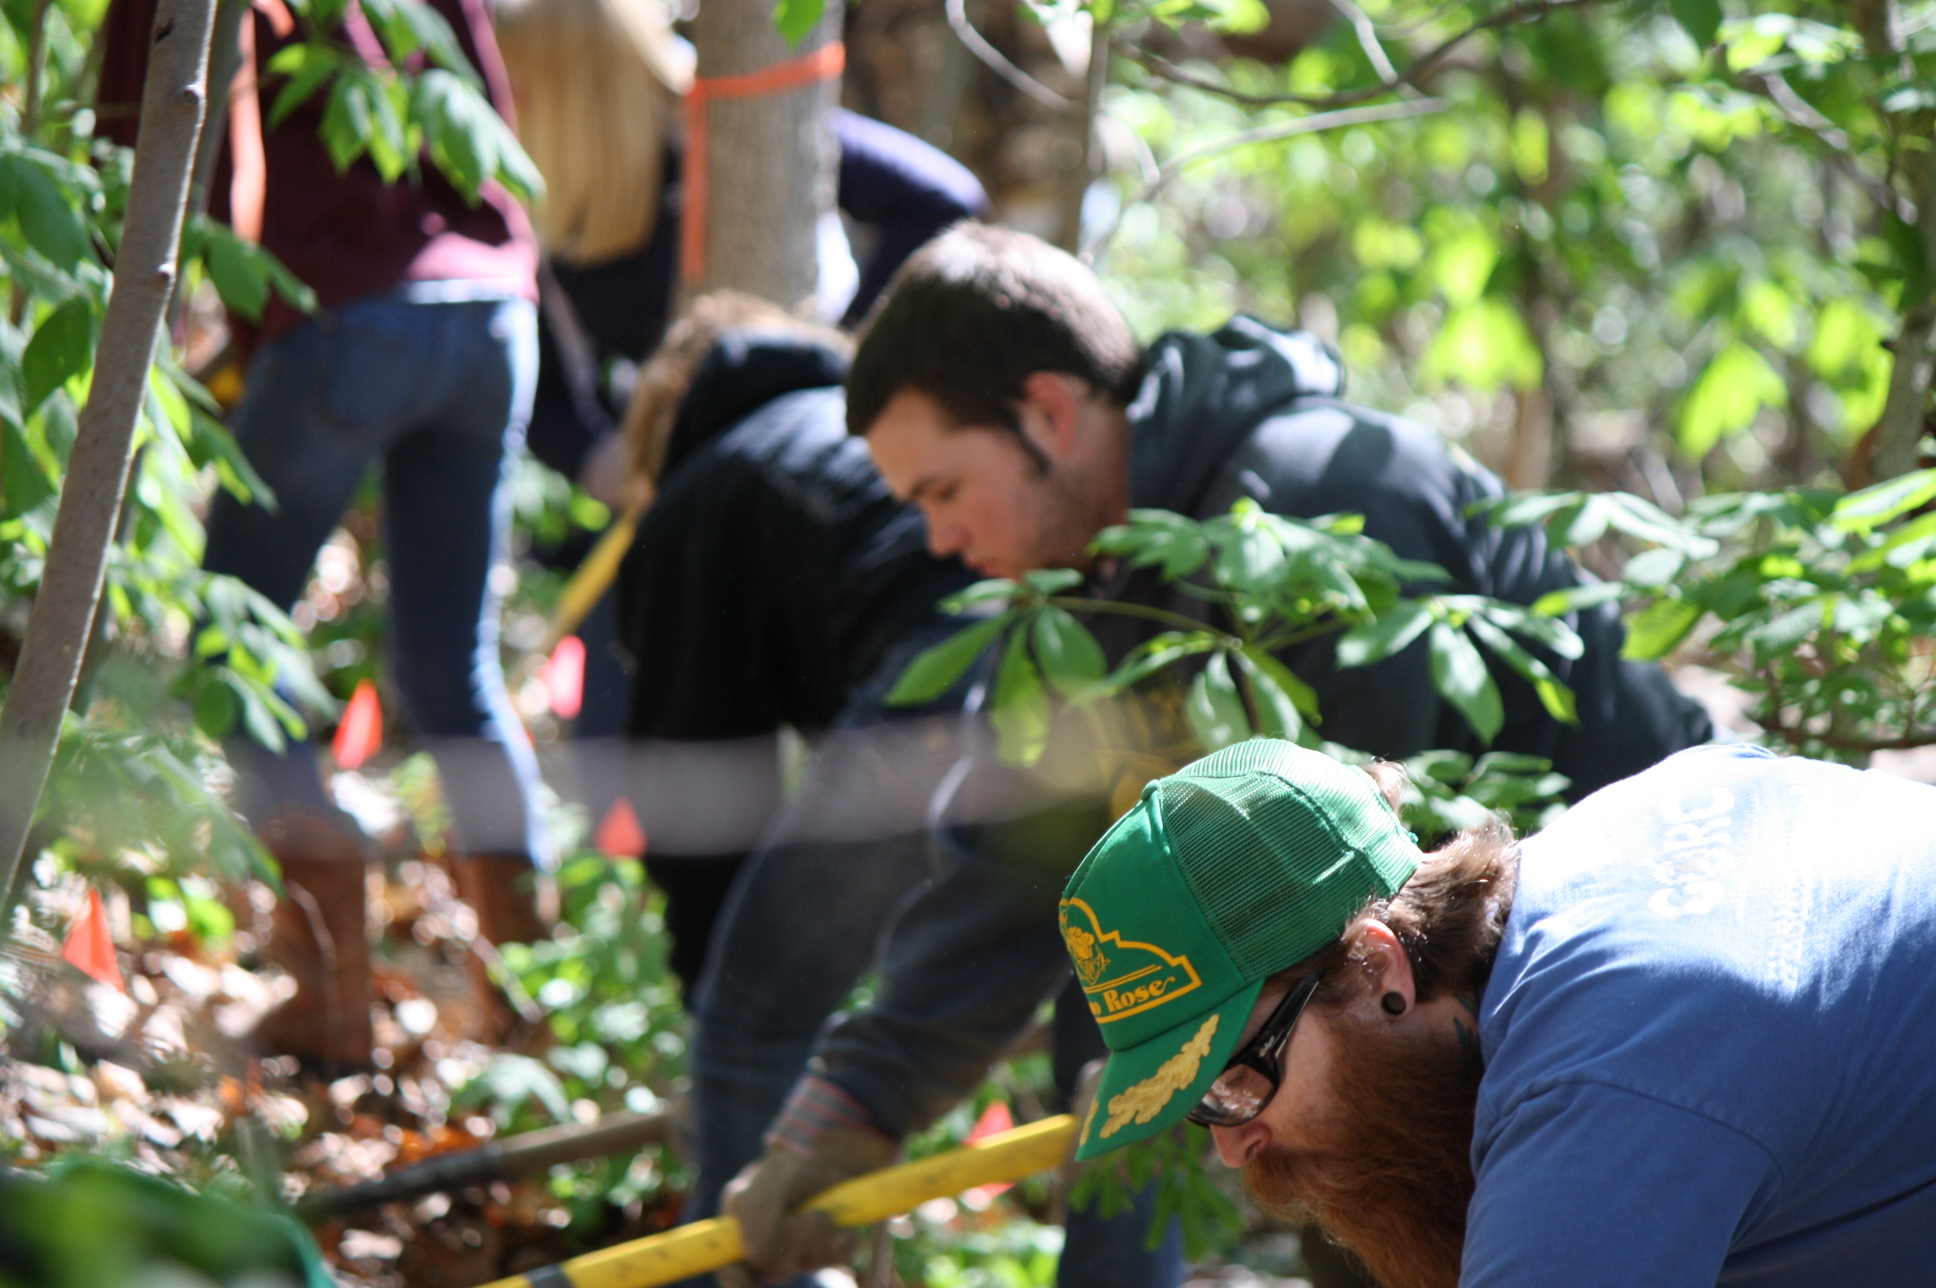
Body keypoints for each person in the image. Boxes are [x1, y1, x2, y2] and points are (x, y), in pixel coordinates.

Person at [714, 223, 1714, 1285]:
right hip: (1419, 1012)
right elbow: (1017, 883)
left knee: (1341, 1109)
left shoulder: (1315, 491)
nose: (935, 540)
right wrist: (852, 1111)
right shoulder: (1082, 602)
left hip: (1642, 975)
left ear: (1049, 412)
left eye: (942, 489)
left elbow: (1375, 924)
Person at [96, 0, 552, 1070]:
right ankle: (526, 1017)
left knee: (234, 644)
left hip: (350, 310)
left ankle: (331, 998)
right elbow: (482, 102)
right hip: (491, 308)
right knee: (456, 672)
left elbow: (142, 136)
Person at [1061, 737, 1936, 1288]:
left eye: (1237, 1079)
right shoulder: (1622, 834)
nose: (1231, 1144)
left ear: (1375, 965)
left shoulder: (1607, 1091)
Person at [493, 0, 989, 808]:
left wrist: (857, 358)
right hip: (676, 496)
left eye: (518, 84)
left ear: (569, 83)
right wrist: (603, 460)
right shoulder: (549, 203)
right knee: (635, 728)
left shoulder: (723, 129)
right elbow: (549, 395)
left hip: (803, 474)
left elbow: (943, 198)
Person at [611, 293, 971, 996]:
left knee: (761, 1012)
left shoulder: (700, 497)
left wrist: (710, 984)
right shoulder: (864, 435)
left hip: (927, 690)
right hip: (1043, 665)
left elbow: (692, 776)